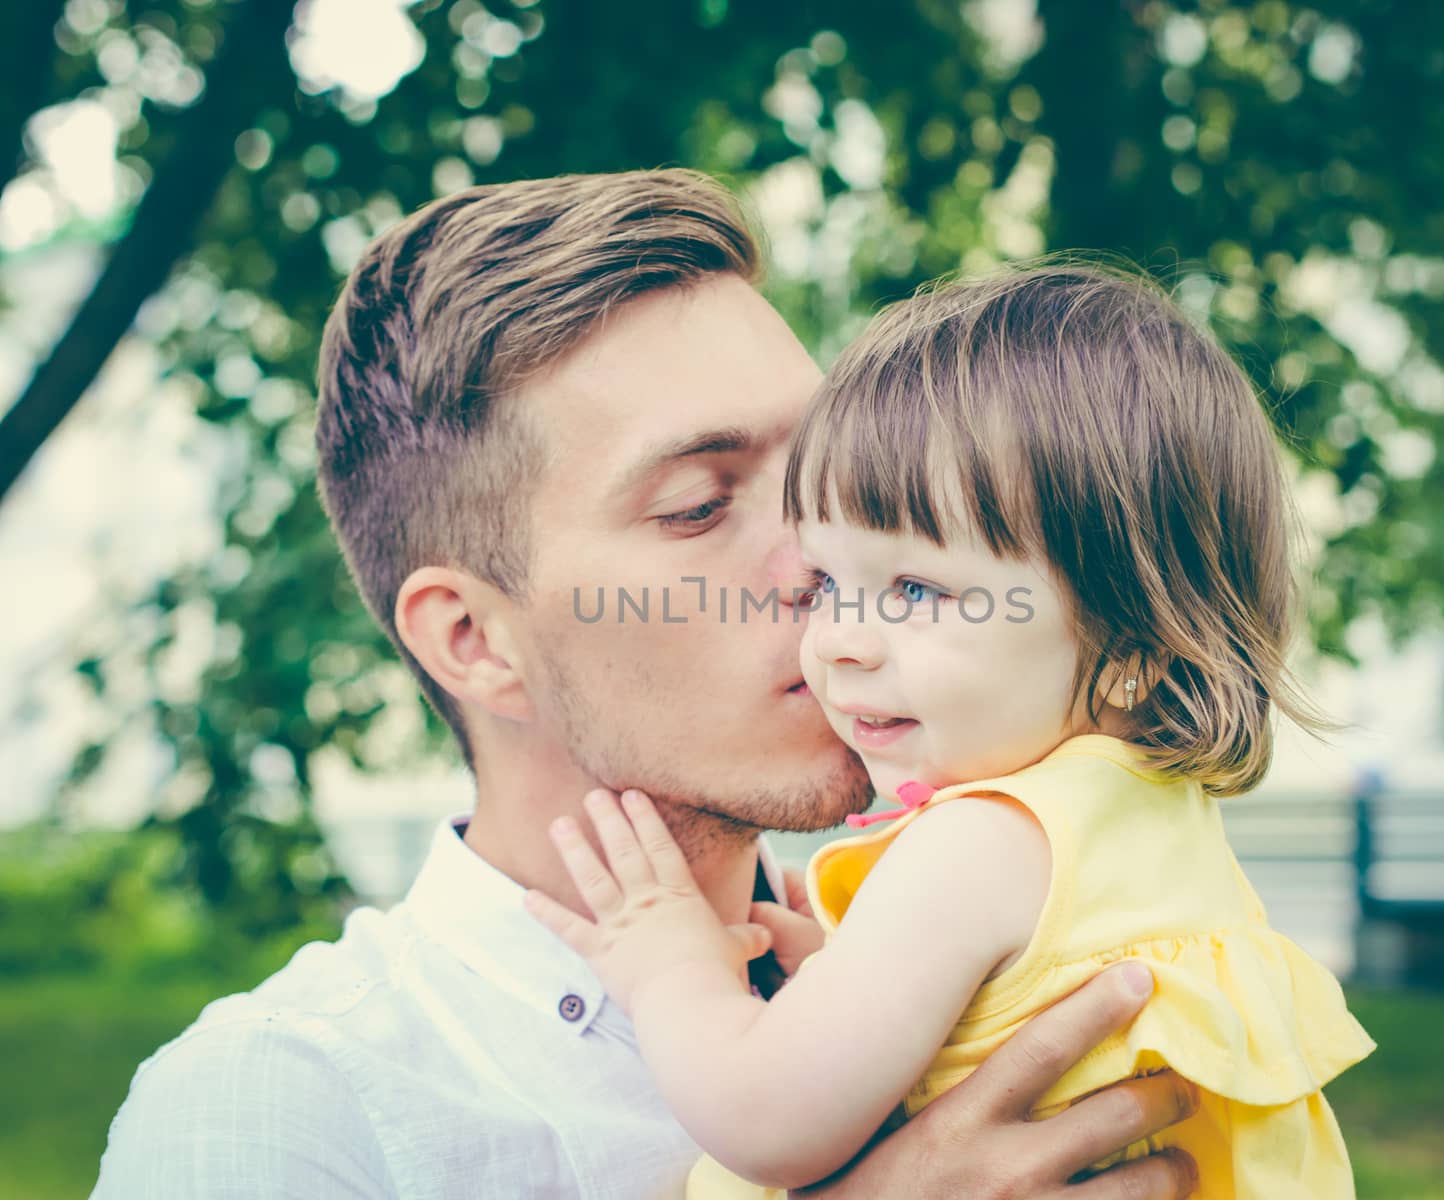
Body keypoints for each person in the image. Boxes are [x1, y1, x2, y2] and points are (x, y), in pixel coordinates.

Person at [90, 171, 1199, 1198]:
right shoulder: (275, 1112)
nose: (830, 557)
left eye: (833, 477)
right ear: (475, 641)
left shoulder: (977, 960)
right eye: (697, 506)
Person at [522, 264, 1376, 1197]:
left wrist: (669, 964)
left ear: (1134, 640)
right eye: (830, 583)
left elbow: (765, 1121)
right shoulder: (1147, 818)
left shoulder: (980, 845)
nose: (837, 642)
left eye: (916, 590)